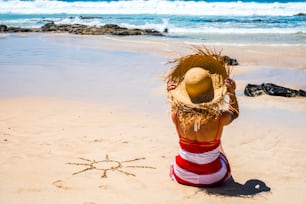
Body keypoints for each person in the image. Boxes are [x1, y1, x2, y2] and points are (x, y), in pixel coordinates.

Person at [165, 48, 239, 187]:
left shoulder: (176, 116)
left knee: (183, 153)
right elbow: (234, 113)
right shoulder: (218, 119)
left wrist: (170, 92)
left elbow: (174, 105)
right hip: (213, 176)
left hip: (182, 174)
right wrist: (232, 93)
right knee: (219, 147)